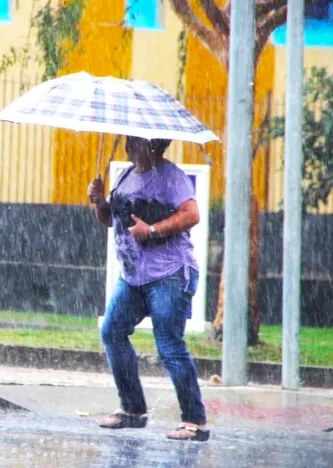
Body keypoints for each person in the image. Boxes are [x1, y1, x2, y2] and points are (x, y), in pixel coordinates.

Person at [86, 136, 210, 442]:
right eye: (128, 139)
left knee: (168, 345)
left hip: (168, 274)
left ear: (153, 145)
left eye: (134, 140)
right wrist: (100, 202)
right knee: (112, 331)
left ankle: (195, 421)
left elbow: (192, 215)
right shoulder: (126, 175)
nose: (128, 145)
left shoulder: (171, 176)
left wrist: (152, 229)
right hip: (133, 277)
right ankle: (132, 410)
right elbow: (110, 221)